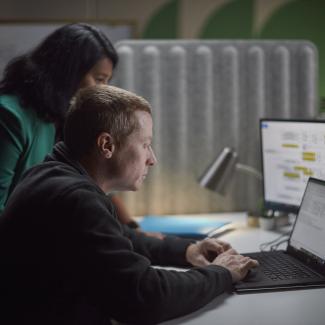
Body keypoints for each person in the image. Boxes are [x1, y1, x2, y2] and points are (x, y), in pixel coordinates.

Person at [0, 85, 258, 325]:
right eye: (145, 144)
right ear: (107, 145)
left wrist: (187, 251)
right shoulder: (76, 198)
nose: (152, 159)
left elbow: (117, 238)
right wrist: (220, 274)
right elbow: (146, 297)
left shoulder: (51, 174)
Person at [0, 23, 152, 236]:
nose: (104, 89)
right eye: (99, 79)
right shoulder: (9, 115)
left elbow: (94, 183)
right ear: (66, 72)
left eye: (107, 81)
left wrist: (134, 231)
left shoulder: (61, 116)